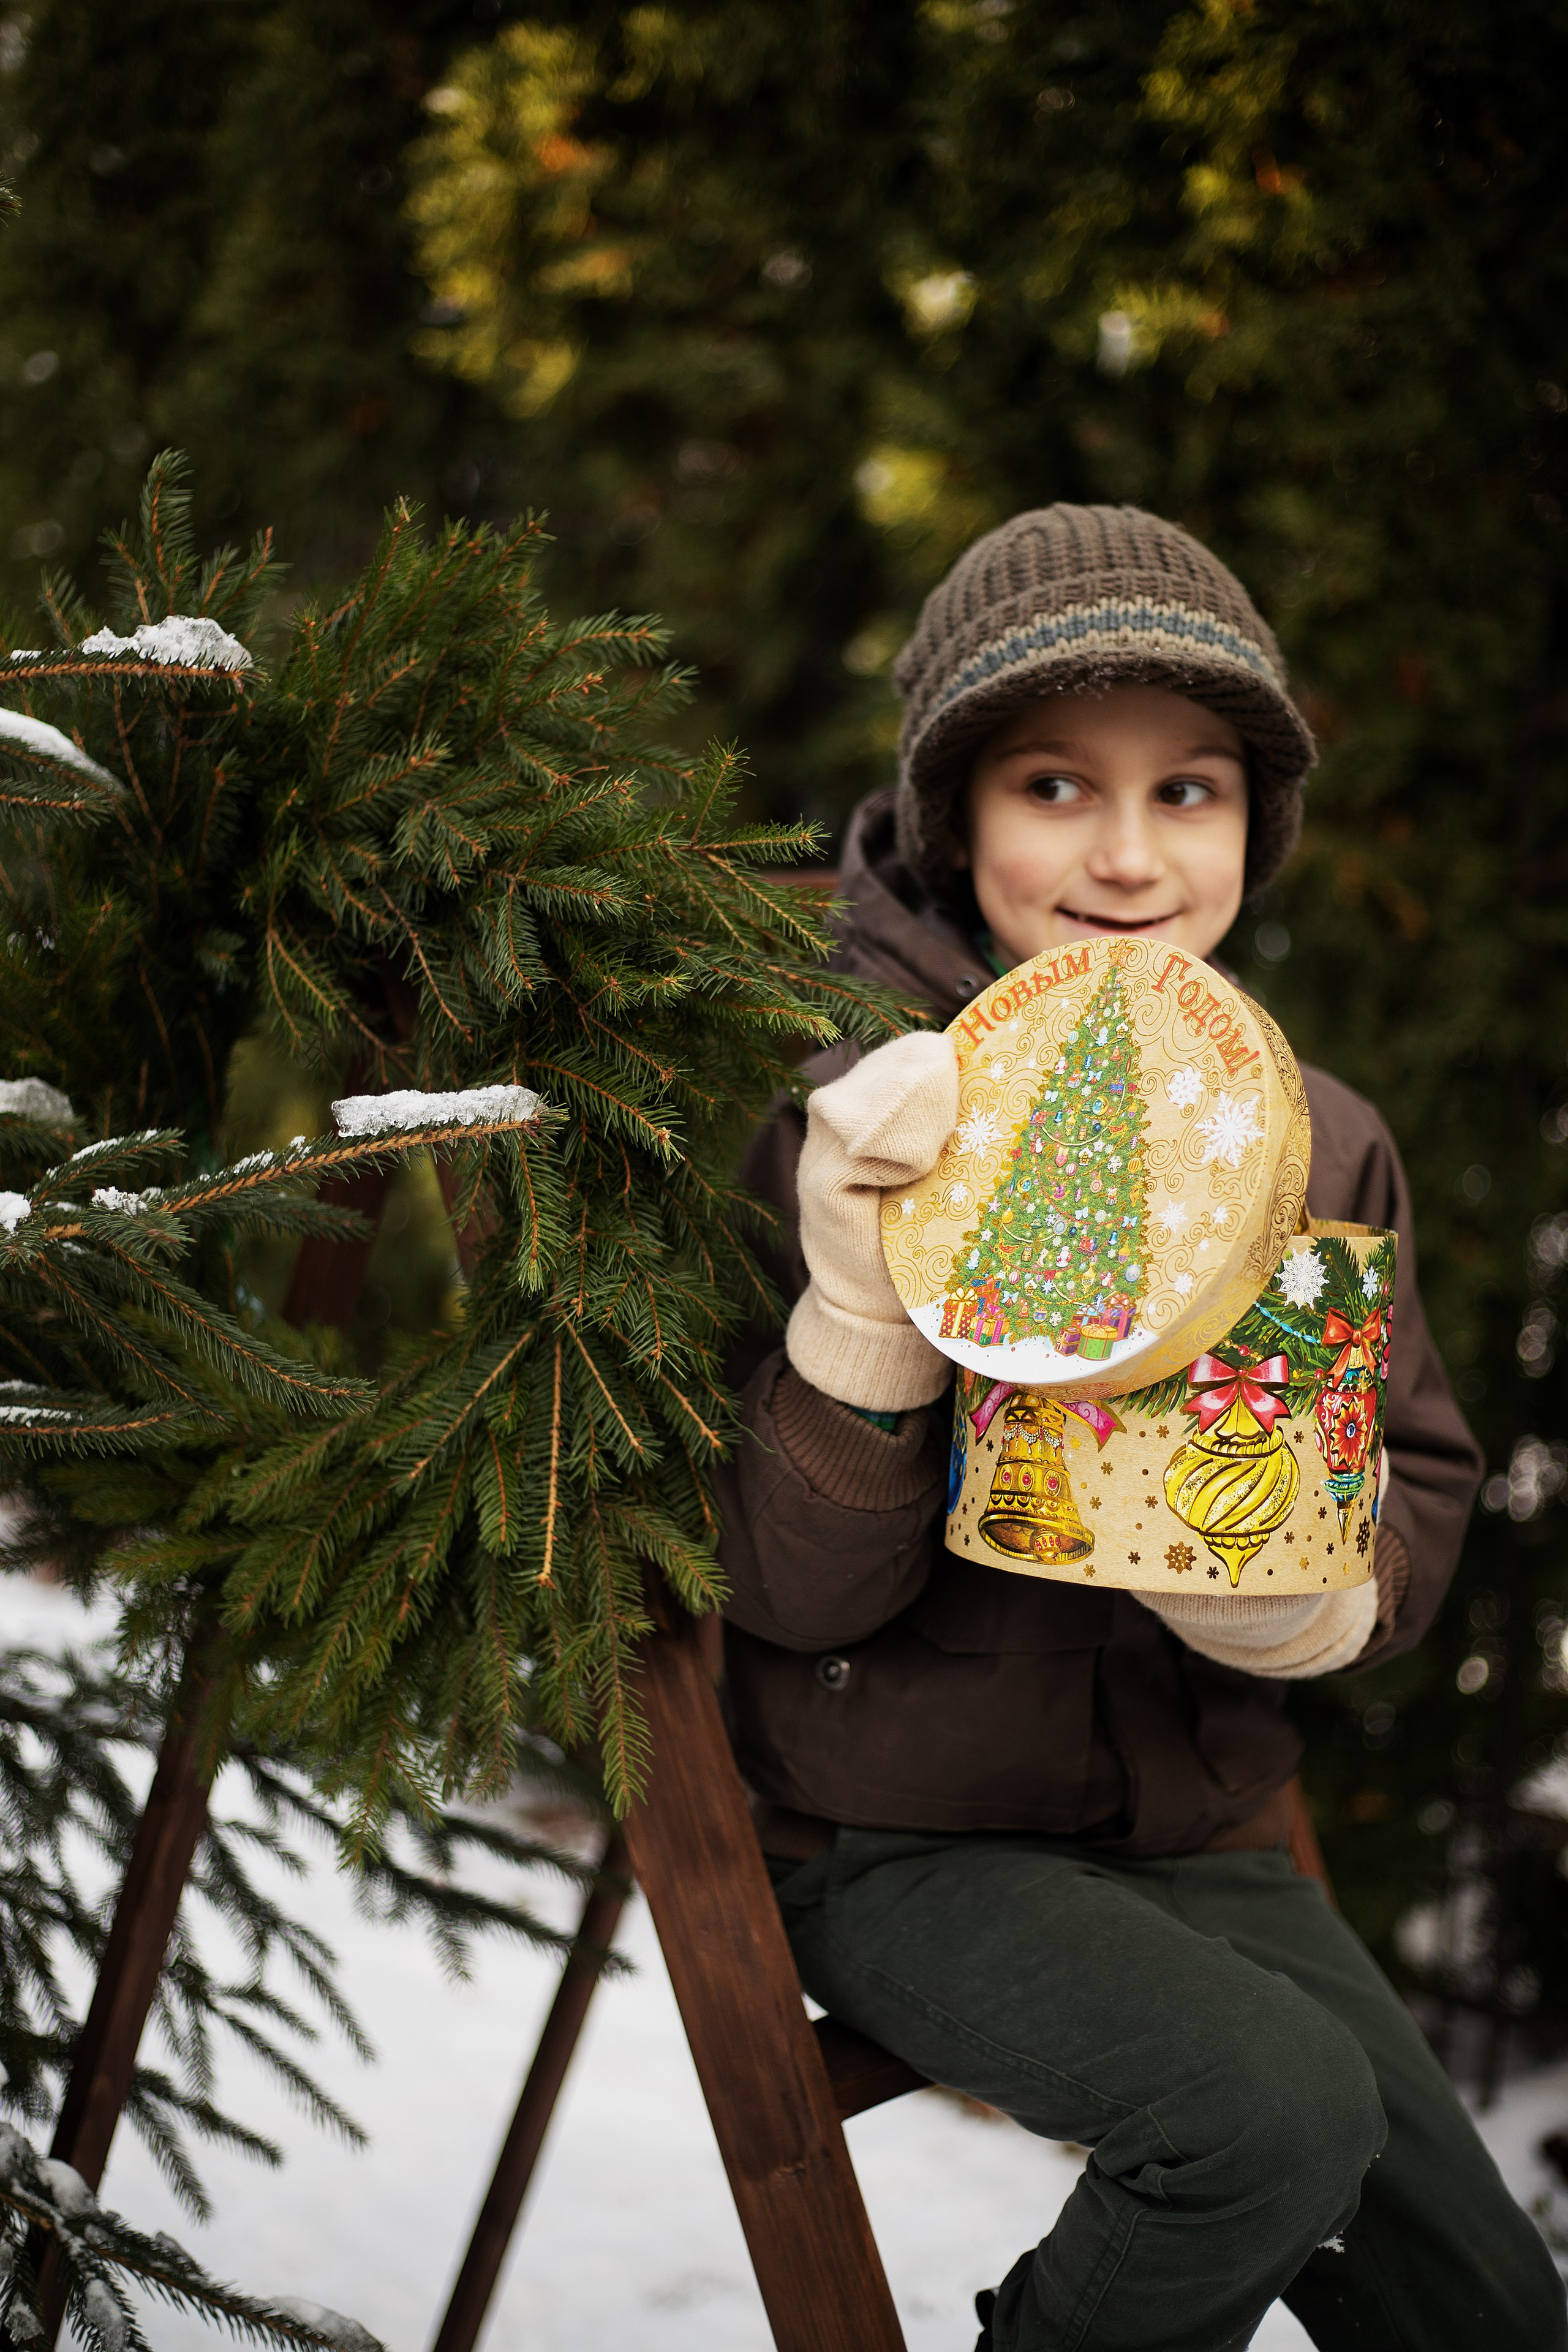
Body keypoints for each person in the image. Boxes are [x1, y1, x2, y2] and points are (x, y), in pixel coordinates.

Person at [715, 505, 1566, 2351]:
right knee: (1266, 2116)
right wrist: (867, 1316)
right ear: (957, 817)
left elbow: (1410, 1466)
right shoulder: (853, 1111)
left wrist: (1326, 1596)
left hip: (1200, 1827)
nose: (1125, 855)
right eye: (1051, 786)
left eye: (1189, 792)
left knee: (1492, 2306)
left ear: (1256, 826)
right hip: (900, 1838)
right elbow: (778, 1592)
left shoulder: (1317, 1136)